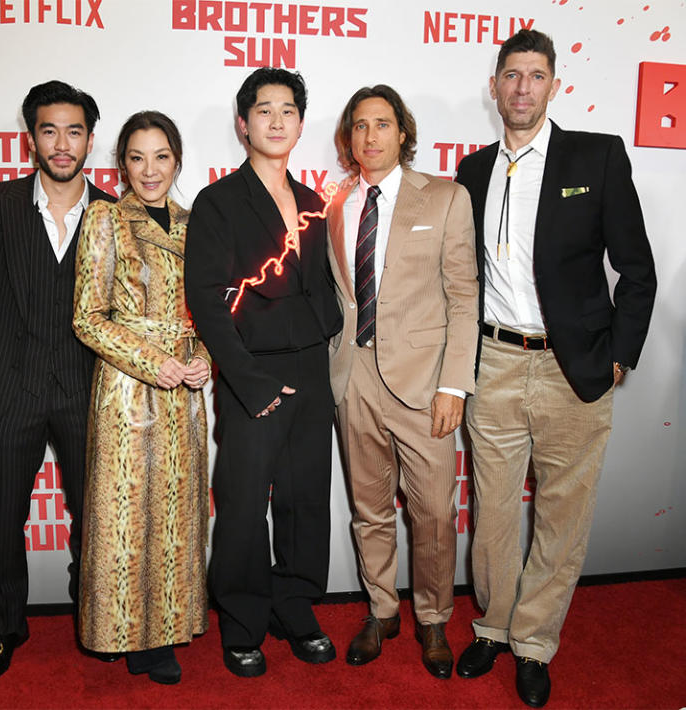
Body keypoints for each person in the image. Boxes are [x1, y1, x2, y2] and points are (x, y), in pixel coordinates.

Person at [454, 29, 656, 708]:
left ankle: (534, 642)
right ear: (494, 85)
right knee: (492, 518)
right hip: (494, 362)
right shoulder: (472, 171)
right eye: (510, 75)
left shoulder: (595, 158)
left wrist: (620, 354)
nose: (521, 88)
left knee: (561, 518)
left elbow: (637, 270)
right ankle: (492, 627)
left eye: (534, 76)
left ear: (553, 84)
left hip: (573, 367)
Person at [185, 68, 342, 677]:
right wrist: (249, 383)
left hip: (310, 369)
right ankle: (244, 617)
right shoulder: (218, 201)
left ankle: (295, 605)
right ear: (242, 122)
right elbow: (206, 300)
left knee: (307, 498)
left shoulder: (312, 202)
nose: (277, 121)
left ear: (301, 124)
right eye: (264, 110)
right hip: (251, 375)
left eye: (288, 111)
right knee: (246, 504)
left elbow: (325, 292)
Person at [326, 85, 478, 679]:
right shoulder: (335, 203)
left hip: (425, 383)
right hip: (353, 376)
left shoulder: (445, 198)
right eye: (359, 126)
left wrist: (454, 386)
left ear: (403, 133)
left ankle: (434, 618)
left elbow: (464, 298)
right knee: (369, 507)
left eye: (382, 124)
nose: (370, 136)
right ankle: (382, 609)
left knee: (434, 512)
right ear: (349, 139)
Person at [0, 80, 115, 686]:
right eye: (50, 130)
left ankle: (93, 618)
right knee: (4, 518)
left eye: (74, 131)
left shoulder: (114, 213)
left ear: (90, 138)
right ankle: (9, 626)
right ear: (31, 136)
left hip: (88, 392)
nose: (62, 144)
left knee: (94, 515)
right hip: (9, 392)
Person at [73, 110, 210, 685]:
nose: (149, 170)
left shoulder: (196, 220)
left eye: (161, 157)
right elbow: (88, 317)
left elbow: (207, 304)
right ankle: (124, 634)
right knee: (124, 516)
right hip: (128, 391)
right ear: (121, 163)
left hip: (187, 393)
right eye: (136, 157)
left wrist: (204, 355)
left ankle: (170, 631)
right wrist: (157, 363)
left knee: (178, 514)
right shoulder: (105, 218)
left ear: (177, 159)